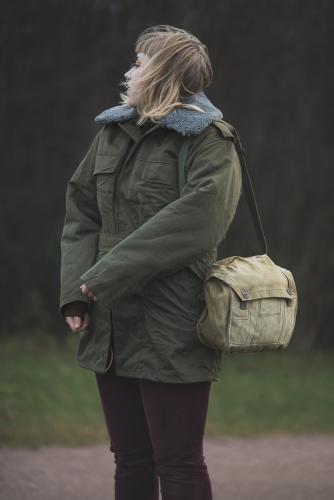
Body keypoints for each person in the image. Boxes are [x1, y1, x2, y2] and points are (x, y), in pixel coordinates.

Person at [59, 24, 242, 500]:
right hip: (111, 321)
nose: (129, 71)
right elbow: (81, 211)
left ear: (161, 73)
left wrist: (103, 277)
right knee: (131, 460)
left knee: (178, 462)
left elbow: (198, 223)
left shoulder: (210, 140)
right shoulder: (112, 133)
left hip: (174, 321)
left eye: (138, 62)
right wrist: (74, 296)